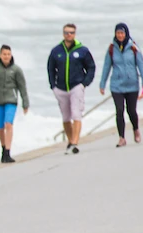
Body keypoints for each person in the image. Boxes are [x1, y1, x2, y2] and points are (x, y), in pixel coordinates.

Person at [48, 23, 96, 154]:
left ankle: (75, 142)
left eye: (71, 32)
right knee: (66, 117)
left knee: (76, 114)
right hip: (61, 88)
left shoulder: (82, 50)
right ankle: (70, 141)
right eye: (66, 32)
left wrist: (84, 83)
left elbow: (91, 67)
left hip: (76, 86)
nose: (69, 35)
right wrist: (53, 86)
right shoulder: (56, 51)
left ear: (75, 34)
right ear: (63, 34)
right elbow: (50, 68)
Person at [99, 23, 143, 147]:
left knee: (131, 111)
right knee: (119, 110)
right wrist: (102, 84)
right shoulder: (111, 48)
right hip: (117, 85)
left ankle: (136, 129)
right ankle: (121, 138)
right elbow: (106, 67)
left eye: (122, 33)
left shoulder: (133, 48)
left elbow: (141, 66)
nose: (120, 35)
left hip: (132, 85)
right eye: (118, 33)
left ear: (126, 34)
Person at [0, 45, 29, 163]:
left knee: (8, 124)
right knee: (0, 128)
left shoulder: (16, 70)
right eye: (4, 54)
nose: (6, 56)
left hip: (11, 101)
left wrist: (25, 103)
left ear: (11, 55)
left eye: (8, 54)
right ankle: (3, 148)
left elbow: (22, 86)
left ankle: (8, 152)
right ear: (0, 55)